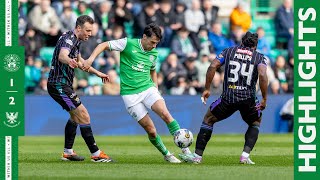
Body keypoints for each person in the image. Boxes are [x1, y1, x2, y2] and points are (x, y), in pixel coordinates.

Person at [82, 23, 192, 163]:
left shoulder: (154, 52)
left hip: (147, 88)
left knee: (165, 114)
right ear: (144, 37)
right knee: (151, 130)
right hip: (130, 95)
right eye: (152, 42)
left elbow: (153, 70)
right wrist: (90, 60)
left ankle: (186, 150)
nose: (154, 46)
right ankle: (167, 154)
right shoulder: (127, 43)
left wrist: (156, 89)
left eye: (156, 43)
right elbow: (103, 45)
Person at [180, 32, 268, 164]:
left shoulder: (229, 51)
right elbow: (262, 74)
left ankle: (197, 157)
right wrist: (264, 98)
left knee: (208, 119)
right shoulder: (259, 57)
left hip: (228, 97)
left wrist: (207, 89)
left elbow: (212, 66)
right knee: (255, 122)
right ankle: (244, 156)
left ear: (241, 42)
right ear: (255, 46)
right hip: (248, 98)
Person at [47, 15, 113, 163]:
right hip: (58, 84)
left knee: (75, 117)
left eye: (91, 31)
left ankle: (68, 152)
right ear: (78, 28)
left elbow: (81, 63)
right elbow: (62, 55)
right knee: (83, 114)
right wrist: (69, 60)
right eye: (88, 30)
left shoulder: (76, 41)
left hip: (63, 84)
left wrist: (98, 73)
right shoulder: (68, 39)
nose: (90, 34)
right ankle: (96, 154)